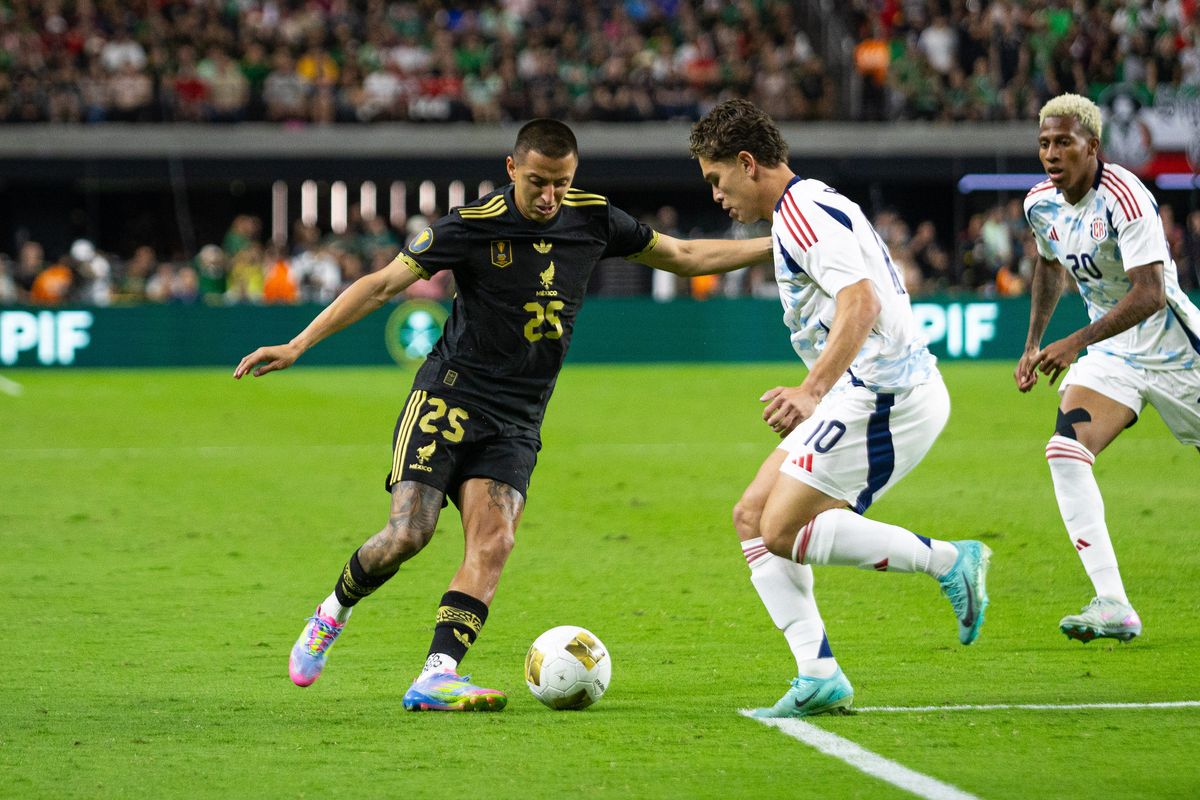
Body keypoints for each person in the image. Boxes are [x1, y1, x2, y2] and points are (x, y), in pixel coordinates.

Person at [234, 119, 771, 712]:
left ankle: (436, 675)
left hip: (518, 416)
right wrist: (297, 344)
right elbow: (382, 285)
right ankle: (331, 613)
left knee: (496, 540)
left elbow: (686, 255)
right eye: (538, 182)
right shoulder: (470, 226)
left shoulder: (592, 217)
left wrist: (781, 243)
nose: (549, 197)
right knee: (409, 533)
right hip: (450, 396)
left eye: (561, 184)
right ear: (513, 169)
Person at [687, 99, 991, 718]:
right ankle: (818, 673)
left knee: (780, 529)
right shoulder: (805, 207)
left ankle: (951, 560)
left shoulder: (803, 218)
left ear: (747, 164)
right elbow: (705, 259)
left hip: (888, 394)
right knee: (751, 516)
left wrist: (810, 389)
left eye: (716, 181)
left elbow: (861, 302)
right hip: (865, 386)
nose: (716, 195)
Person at [1016, 93, 1200, 643]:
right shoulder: (1040, 204)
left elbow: (1150, 293)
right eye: (1045, 143)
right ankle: (1113, 603)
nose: (1052, 153)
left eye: (1064, 143)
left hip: (1176, 352)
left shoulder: (1125, 198)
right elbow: (1049, 268)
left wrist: (1075, 340)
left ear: (1092, 147)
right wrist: (1034, 343)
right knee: (1065, 450)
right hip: (1116, 355)